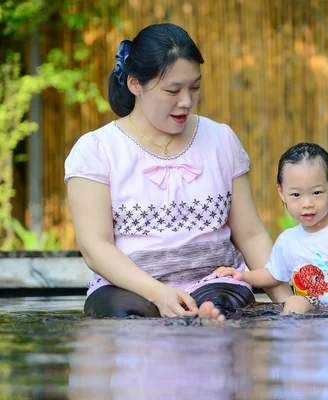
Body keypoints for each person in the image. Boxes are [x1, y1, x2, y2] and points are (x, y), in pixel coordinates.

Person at [64, 23, 292, 321]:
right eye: (173, 90)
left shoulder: (220, 139)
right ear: (135, 84)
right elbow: (96, 246)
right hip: (127, 287)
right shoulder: (97, 149)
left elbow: (250, 234)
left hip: (214, 282)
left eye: (194, 87)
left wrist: (290, 305)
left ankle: (213, 328)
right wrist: (158, 293)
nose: (186, 101)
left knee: (223, 309)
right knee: (123, 320)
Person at [215, 143, 328, 314]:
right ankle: (292, 338)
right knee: (294, 302)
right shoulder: (288, 240)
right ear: (282, 193)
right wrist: (242, 276)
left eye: (317, 192)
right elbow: (273, 274)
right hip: (318, 312)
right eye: (296, 194)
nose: (307, 203)